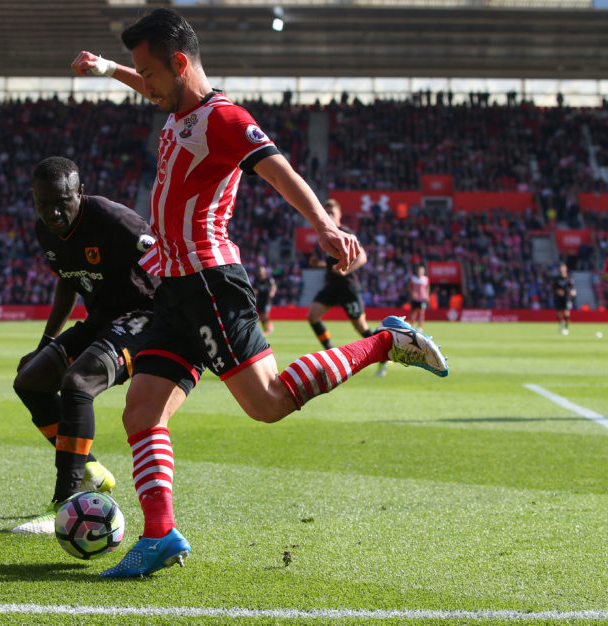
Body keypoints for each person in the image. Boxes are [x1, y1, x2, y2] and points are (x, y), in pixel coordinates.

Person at [71, 7, 449, 579]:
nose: (143, 83)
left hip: (208, 283)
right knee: (142, 410)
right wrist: (107, 71)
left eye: (147, 72)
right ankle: (160, 534)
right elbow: (145, 89)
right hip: (171, 286)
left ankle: (384, 342)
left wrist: (324, 225)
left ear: (179, 63)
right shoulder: (177, 106)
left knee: (268, 402)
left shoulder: (223, 118)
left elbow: (277, 169)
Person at [10, 156, 159, 534]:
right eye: (43, 203)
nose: (53, 211)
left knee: (77, 384)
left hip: (146, 317)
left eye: (61, 201)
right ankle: (90, 468)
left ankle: (65, 503)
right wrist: (46, 342)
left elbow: (165, 259)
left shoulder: (114, 220)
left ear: (80, 192)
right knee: (29, 380)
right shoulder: (46, 232)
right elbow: (68, 279)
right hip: (101, 319)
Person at [306, 199, 387, 376]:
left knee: (360, 327)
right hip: (331, 286)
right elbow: (331, 264)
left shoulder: (345, 233)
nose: (328, 216)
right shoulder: (324, 235)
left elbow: (362, 257)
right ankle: (330, 354)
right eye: (325, 213)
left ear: (339, 215)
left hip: (348, 287)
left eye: (332, 213)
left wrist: (345, 270)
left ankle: (383, 356)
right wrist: (318, 264)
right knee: (312, 316)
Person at [552, 262, 576, 335]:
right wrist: (557, 291)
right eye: (561, 268)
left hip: (567, 298)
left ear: (566, 269)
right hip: (559, 298)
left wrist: (572, 292)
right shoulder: (557, 279)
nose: (562, 269)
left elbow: (573, 288)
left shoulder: (569, 279)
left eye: (564, 268)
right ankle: (561, 326)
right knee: (559, 314)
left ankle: (566, 328)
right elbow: (554, 288)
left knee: (566, 312)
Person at [252, 265, 277, 335]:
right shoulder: (256, 280)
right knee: (261, 315)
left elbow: (274, 286)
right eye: (259, 271)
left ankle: (268, 329)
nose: (260, 272)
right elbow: (254, 289)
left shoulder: (268, 279)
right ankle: (266, 329)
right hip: (259, 299)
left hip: (267, 299)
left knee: (265, 314)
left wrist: (272, 292)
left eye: (262, 271)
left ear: (264, 271)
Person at [407, 265, 429, 330]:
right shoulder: (413, 278)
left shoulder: (425, 279)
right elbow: (409, 287)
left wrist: (427, 294)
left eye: (422, 270)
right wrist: (412, 293)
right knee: (413, 312)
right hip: (415, 298)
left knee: (421, 312)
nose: (420, 271)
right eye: (419, 270)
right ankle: (412, 325)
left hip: (422, 298)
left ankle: (420, 326)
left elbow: (427, 288)